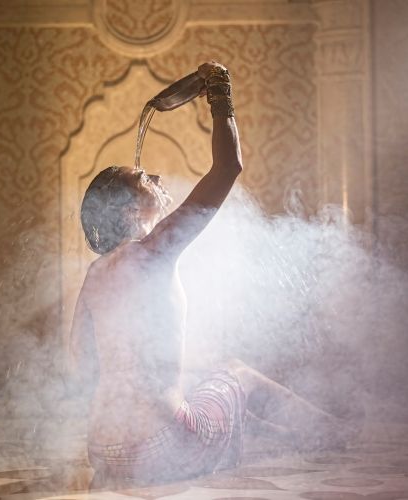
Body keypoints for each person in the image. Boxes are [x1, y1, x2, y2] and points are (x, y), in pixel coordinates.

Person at [70, 62, 348, 488]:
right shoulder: (154, 251)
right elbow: (227, 168)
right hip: (159, 450)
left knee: (207, 381)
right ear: (128, 210)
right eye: (144, 177)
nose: (157, 177)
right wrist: (220, 91)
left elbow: (85, 363)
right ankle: (333, 432)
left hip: (103, 454)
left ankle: (295, 438)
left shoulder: (95, 274)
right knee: (237, 374)